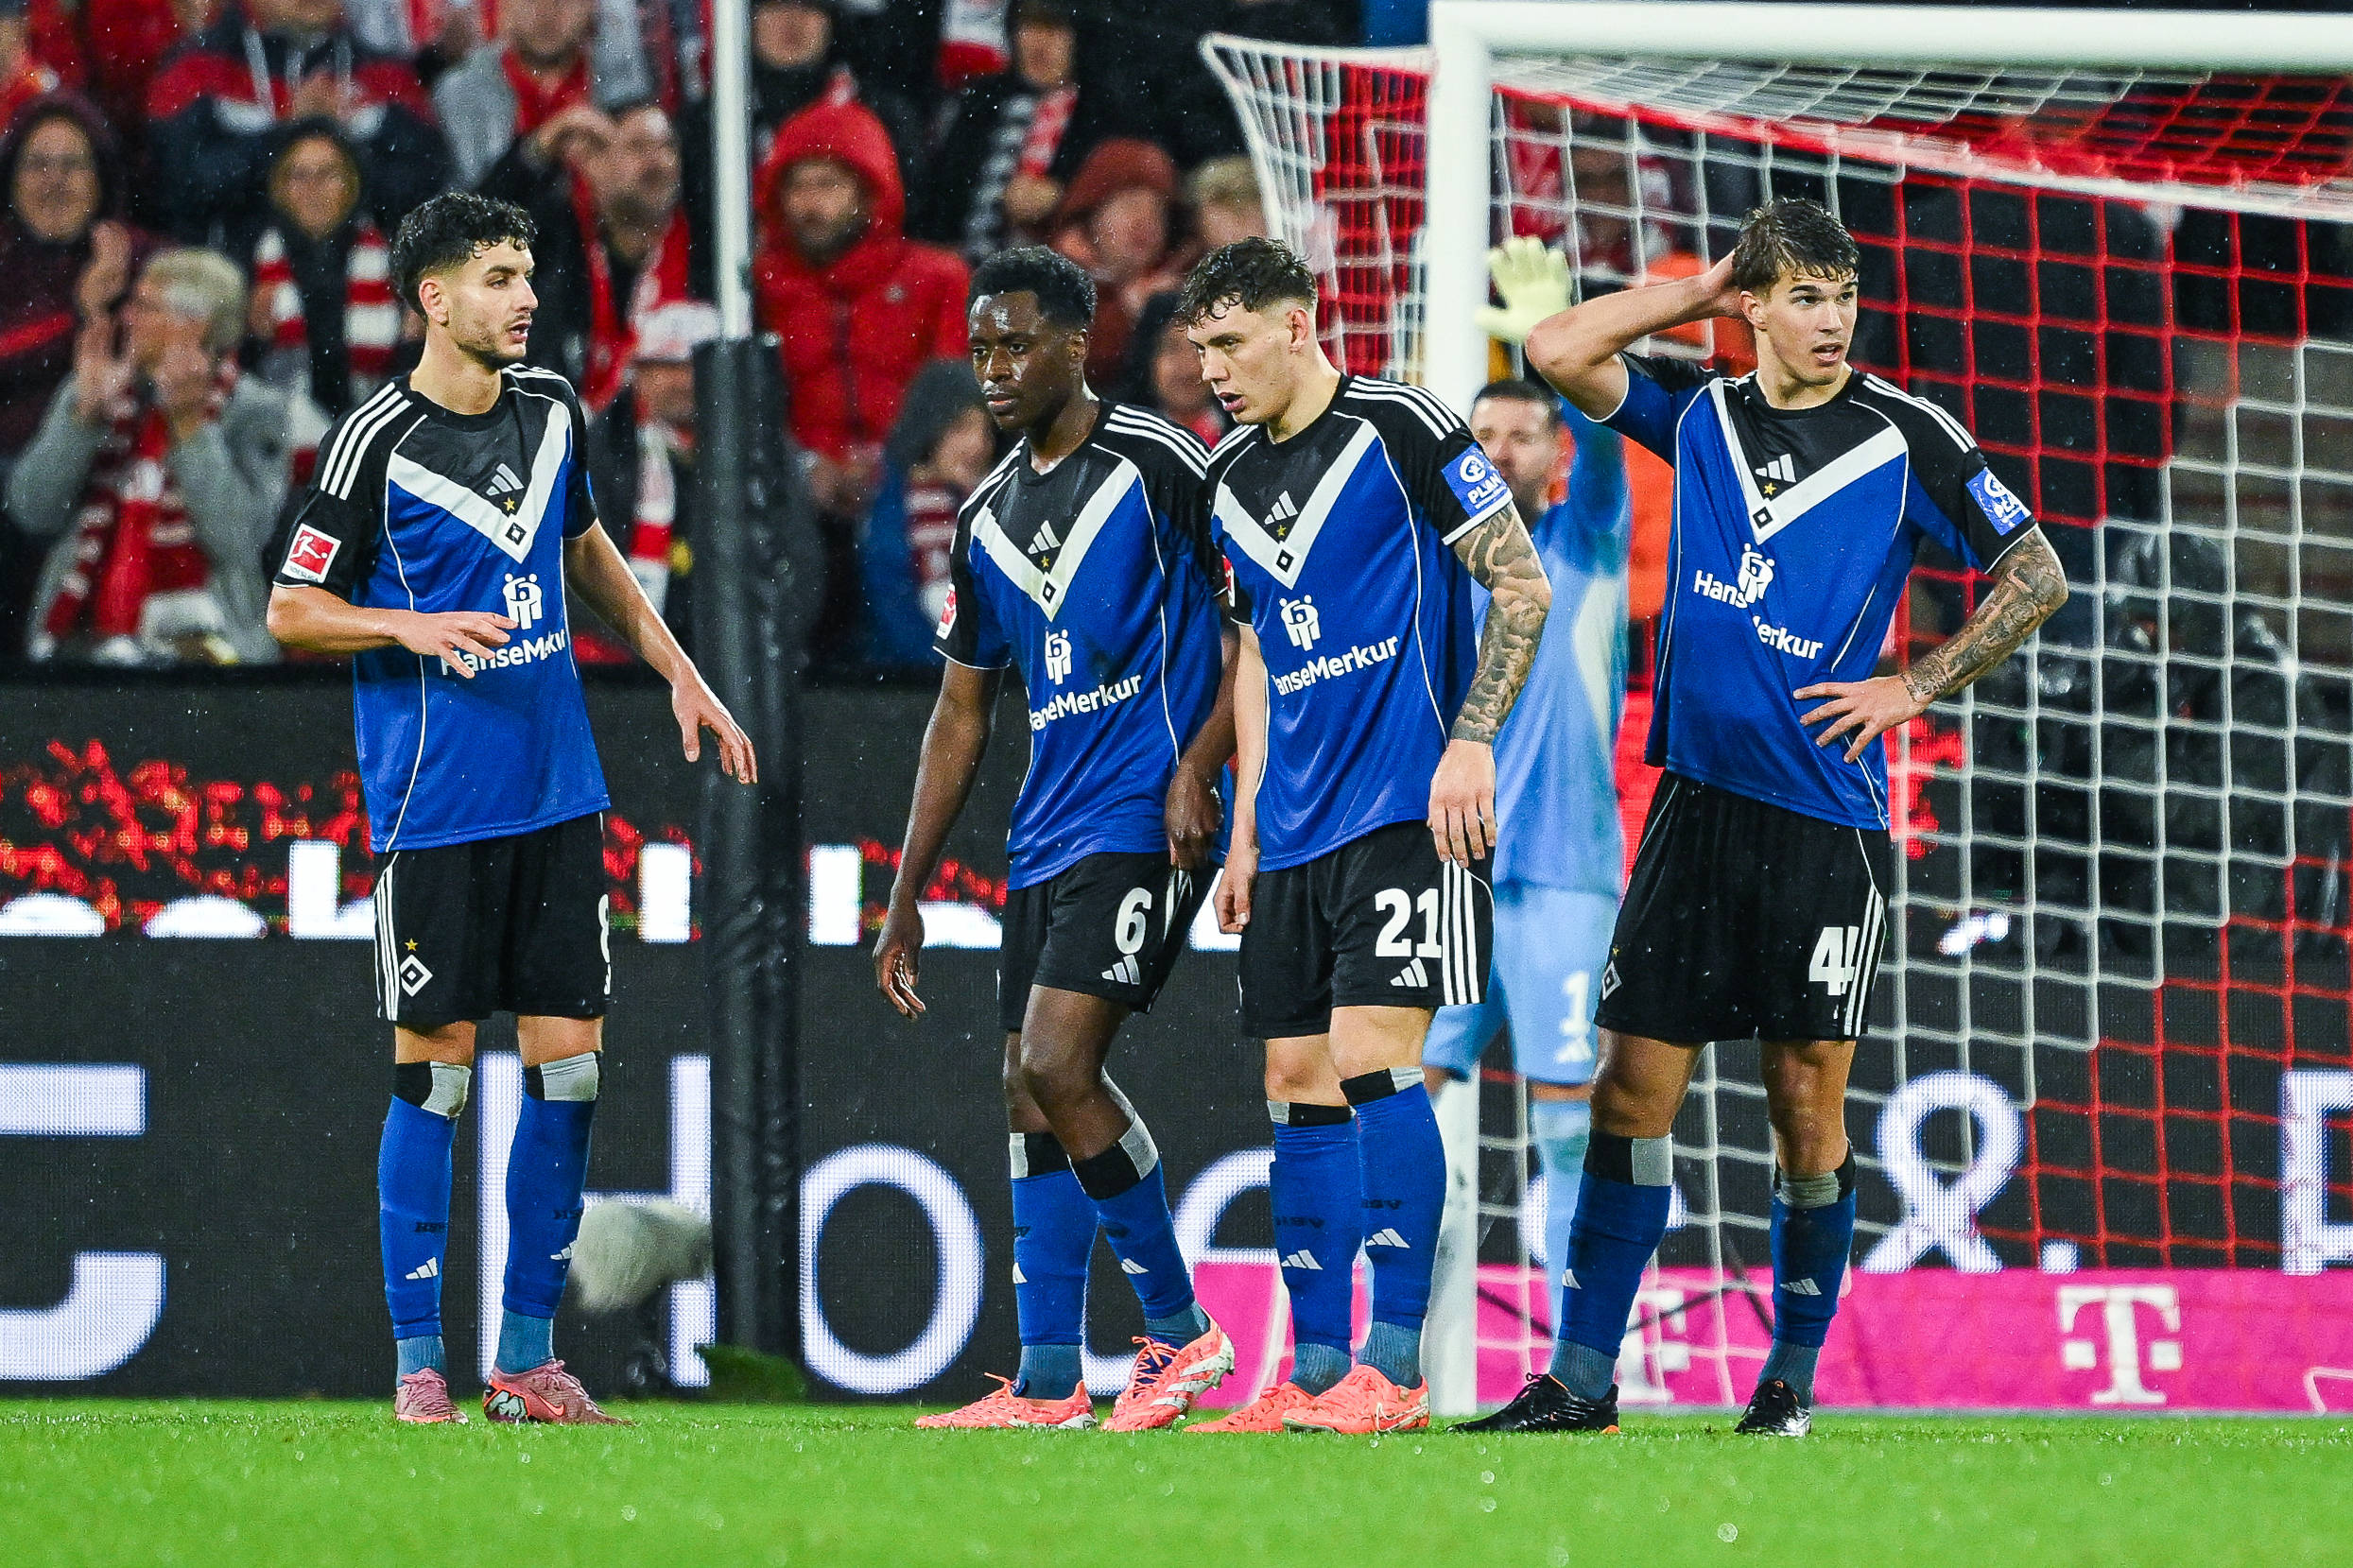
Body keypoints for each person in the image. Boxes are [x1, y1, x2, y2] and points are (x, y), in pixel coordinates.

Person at [1464, 197, 2068, 1438]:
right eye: (1802, 294)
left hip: (1823, 823)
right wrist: (1709, 290)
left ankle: (1785, 1381)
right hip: (1692, 806)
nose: (1831, 317)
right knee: (1630, 1090)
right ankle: (1580, 1378)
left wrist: (1915, 683)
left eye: (1842, 293)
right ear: (1754, 306)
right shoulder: (1702, 412)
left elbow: (2037, 571)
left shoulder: (1909, 435)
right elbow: (1559, 352)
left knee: (1804, 1104)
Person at [261, 190, 753, 1426]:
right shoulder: (375, 437)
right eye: (496, 276)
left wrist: (676, 665)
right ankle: (420, 1358)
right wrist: (410, 623)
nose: (526, 296)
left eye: (529, 273)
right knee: (434, 1078)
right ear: (434, 298)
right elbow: (290, 609)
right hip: (436, 804)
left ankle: (527, 1357)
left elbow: (582, 547)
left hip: (556, 791)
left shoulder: (551, 410)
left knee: (572, 1071)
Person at [1177, 237, 1552, 1436]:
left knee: (1369, 1058)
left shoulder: (1405, 429)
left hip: (1407, 809)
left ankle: (1391, 1370)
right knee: (1292, 1079)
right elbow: (1255, 658)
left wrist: (1471, 738)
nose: (1213, 371)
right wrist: (1242, 833)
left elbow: (1521, 585)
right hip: (1288, 826)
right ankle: (1311, 1370)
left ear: (1299, 324)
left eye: (1230, 343)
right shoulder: (1225, 475)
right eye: (1198, 349)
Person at [875, 246, 1237, 1432]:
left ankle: (1181, 1334)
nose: (991, 368)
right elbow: (961, 710)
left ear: (1078, 344)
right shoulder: (982, 515)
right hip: (1045, 833)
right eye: (979, 347)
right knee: (1022, 1091)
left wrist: (1199, 768)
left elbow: (1252, 629)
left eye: (1015, 343)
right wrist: (906, 887)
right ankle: (1042, 1384)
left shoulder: (1160, 464)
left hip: (1148, 816)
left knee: (1055, 1064)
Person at [1417, 375, 1629, 1338]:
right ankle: (1381, 1350)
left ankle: (1576, 1362)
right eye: (1484, 435)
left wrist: (1570, 374)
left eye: (1521, 435)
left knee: (1567, 1126)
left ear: (1553, 455)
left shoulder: (1585, 541)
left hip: (1563, 882)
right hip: (1446, 877)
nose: (1500, 451)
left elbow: (1607, 450)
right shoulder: (1439, 565)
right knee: (1394, 1103)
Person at [753, 96, 965, 662]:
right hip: (799, 495)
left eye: (828, 184)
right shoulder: (758, 287)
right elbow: (751, 409)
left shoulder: (939, 278)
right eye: (796, 186)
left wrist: (887, 467)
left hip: (909, 490)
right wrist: (806, 468)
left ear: (871, 191)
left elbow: (953, 404)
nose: (809, 204)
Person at [13, 247, 288, 663]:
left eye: (145, 306)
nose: (127, 317)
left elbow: (239, 542)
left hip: (211, 643)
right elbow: (32, 512)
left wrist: (189, 428)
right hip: (83, 638)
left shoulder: (257, 410)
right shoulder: (91, 388)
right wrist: (82, 420)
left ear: (196, 326)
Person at [145, 0, 450, 249]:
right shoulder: (194, 69)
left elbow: (426, 185)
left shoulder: (388, 74)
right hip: (234, 292)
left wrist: (331, 145)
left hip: (366, 294)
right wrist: (288, 133)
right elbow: (177, 185)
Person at [480, 97, 692, 408]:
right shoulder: (551, 244)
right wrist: (537, 150)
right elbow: (467, 240)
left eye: (666, 147)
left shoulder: (706, 252)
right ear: (594, 164)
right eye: (637, 147)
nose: (657, 162)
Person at [0, 95, 154, 461]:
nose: (55, 181)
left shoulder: (144, 258)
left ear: (100, 177)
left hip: (128, 464)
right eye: (37, 165)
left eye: (72, 165)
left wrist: (116, 309)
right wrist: (81, 314)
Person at [915, 0, 1113, 265]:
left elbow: (1111, 193)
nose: (1039, 44)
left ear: (1079, 38)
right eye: (1029, 27)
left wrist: (1062, 196)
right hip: (962, 267)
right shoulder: (983, 99)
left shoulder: (1101, 115)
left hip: (1050, 269)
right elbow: (944, 189)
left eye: (1053, 30)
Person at [578, 297, 715, 658]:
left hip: (725, 658)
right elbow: (578, 562)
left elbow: (796, 562)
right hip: (623, 662)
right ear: (638, 375)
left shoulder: (757, 449)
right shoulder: (600, 449)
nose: (681, 381)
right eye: (663, 367)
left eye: (692, 366)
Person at [245, 127, 402, 417]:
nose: (312, 187)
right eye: (299, 175)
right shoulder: (251, 263)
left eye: (328, 173)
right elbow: (244, 379)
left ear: (350, 183)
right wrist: (254, 339)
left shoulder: (394, 263)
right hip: (281, 431)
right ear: (280, 186)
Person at [859, 355, 992, 672]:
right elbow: (894, 612)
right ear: (930, 429)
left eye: (986, 429)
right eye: (961, 428)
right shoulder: (894, 512)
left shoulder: (993, 500)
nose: (977, 444)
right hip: (909, 685)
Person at [432, 0, 652, 189]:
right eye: (531, 0)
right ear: (504, 6)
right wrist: (537, 151)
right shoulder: (461, 90)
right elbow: (468, 207)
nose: (546, 12)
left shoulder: (625, 86)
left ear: (591, 6)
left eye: (561, 0)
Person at [1049, 137, 1178, 386]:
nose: (1144, 221)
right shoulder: (1052, 281)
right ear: (1091, 213)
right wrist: (1126, 315)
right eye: (1129, 204)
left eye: (1157, 209)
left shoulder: (1176, 282)